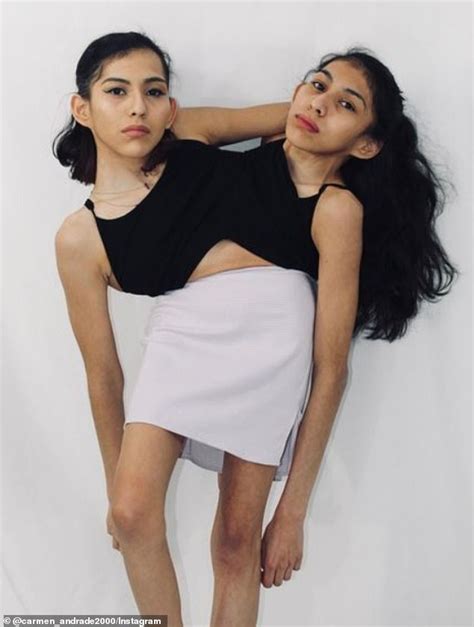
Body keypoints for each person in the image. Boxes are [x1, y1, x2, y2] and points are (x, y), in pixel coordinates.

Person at [54, 31, 458, 626]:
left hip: (270, 351)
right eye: (317, 85)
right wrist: (117, 495)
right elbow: (101, 373)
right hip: (184, 330)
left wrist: (292, 511)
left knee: (236, 544)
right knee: (133, 512)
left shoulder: (334, 207)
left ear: (368, 143)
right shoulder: (178, 153)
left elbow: (332, 369)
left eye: (346, 103)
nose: (319, 103)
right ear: (84, 106)